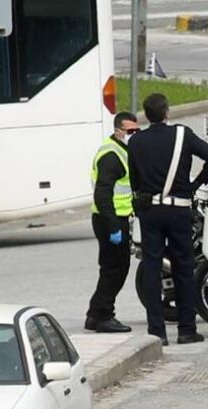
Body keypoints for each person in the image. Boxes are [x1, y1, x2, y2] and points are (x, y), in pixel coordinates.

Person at [128, 93, 208, 346]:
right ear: (167, 112)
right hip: (179, 209)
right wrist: (194, 185)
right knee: (183, 268)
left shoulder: (136, 141)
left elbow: (134, 179)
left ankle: (156, 332)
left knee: (151, 268)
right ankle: (186, 330)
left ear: (146, 116)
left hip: (150, 211)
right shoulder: (183, 134)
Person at [85, 111, 139, 333]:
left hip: (116, 217)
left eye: (136, 130)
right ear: (118, 130)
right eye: (130, 131)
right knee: (115, 269)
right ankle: (105, 316)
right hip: (110, 219)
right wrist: (114, 227)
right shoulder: (111, 156)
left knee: (111, 268)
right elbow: (102, 194)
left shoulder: (121, 149)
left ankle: (95, 314)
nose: (133, 134)